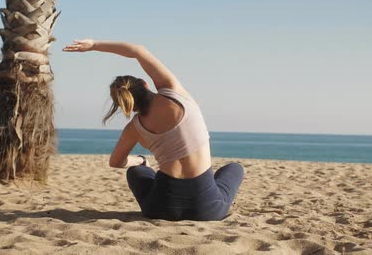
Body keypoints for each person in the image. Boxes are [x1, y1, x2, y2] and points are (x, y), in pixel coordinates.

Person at [63, 39, 244, 221]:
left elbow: (116, 162)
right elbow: (137, 50)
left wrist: (140, 160)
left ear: (124, 104)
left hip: (161, 208)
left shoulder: (134, 128)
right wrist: (93, 45)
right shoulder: (174, 93)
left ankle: (146, 169)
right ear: (145, 83)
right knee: (234, 168)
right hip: (207, 209)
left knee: (136, 171)